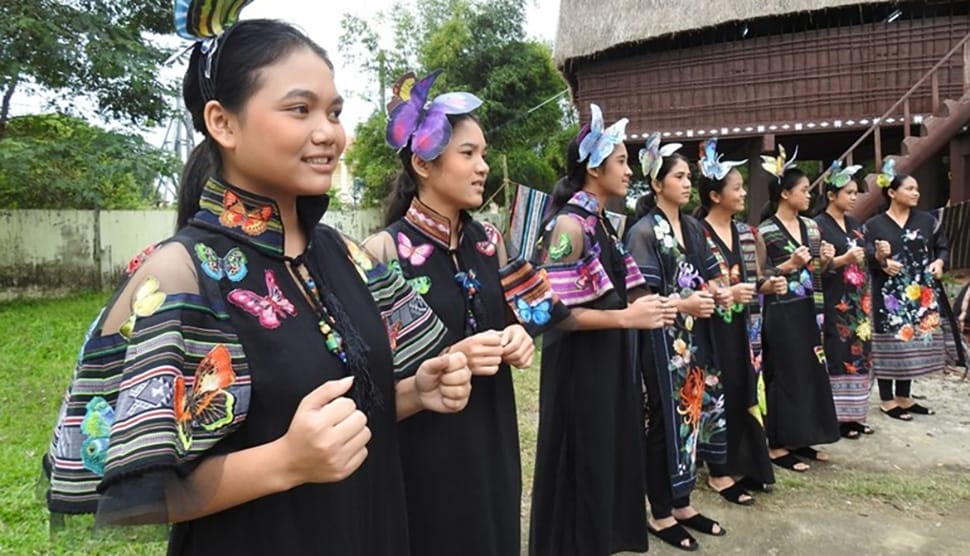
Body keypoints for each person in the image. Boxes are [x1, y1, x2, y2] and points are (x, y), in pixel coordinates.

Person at [43, 8, 473, 554]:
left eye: (334, 112)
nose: (329, 133)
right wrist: (283, 462)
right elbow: (131, 493)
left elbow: (345, 406)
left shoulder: (343, 254)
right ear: (223, 123)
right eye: (300, 109)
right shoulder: (180, 275)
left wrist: (412, 392)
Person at [363, 69, 561, 556]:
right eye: (468, 154)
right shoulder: (382, 253)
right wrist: (453, 356)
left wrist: (519, 337)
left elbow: (535, 312)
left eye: (484, 155)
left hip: (493, 439)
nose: (483, 167)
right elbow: (366, 379)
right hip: (424, 452)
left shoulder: (489, 242)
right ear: (424, 164)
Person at [528, 105, 674, 556]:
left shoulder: (603, 226)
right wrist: (626, 320)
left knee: (606, 459)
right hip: (580, 373)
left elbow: (632, 293)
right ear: (594, 167)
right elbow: (558, 314)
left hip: (607, 367)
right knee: (582, 463)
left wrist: (679, 303)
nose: (630, 171)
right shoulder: (570, 225)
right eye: (622, 162)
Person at [626, 134, 728, 551]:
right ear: (656, 183)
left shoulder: (692, 227)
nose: (688, 183)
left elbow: (711, 275)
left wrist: (719, 292)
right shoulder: (643, 231)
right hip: (661, 341)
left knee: (693, 416)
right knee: (665, 421)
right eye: (680, 176)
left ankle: (683, 503)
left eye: (690, 176)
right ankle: (660, 513)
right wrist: (685, 303)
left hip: (694, 340)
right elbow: (640, 297)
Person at [694, 138, 777, 503]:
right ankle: (717, 470)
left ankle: (743, 461)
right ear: (715, 195)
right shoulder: (696, 234)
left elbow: (749, 277)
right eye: (737, 187)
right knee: (715, 391)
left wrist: (764, 284)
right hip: (710, 328)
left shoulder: (745, 233)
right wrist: (726, 292)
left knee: (743, 389)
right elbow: (689, 281)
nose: (744, 194)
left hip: (743, 328)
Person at [756, 146, 840, 471]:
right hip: (779, 312)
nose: (809, 195)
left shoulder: (813, 227)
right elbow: (758, 278)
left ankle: (803, 437)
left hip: (811, 308)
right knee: (784, 374)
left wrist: (827, 259)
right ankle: (778, 444)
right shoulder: (764, 232)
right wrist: (789, 266)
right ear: (784, 193)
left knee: (810, 373)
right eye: (804, 190)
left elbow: (819, 270)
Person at [865, 161, 948, 420]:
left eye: (917, 189)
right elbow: (864, 253)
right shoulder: (874, 224)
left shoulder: (927, 221)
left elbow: (942, 246)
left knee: (910, 341)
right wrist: (881, 261)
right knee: (889, 342)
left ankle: (905, 396)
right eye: (910, 188)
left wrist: (939, 262)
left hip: (918, 292)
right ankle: (887, 400)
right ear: (892, 192)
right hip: (887, 294)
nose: (916, 193)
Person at [813, 161, 874, 438]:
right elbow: (816, 268)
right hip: (834, 299)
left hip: (858, 300)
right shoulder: (818, 226)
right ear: (831, 195)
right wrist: (843, 259)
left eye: (854, 193)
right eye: (848, 192)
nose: (853, 197)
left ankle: (856, 415)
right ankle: (836, 417)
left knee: (859, 353)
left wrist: (880, 253)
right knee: (837, 352)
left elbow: (868, 253)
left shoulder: (855, 224)